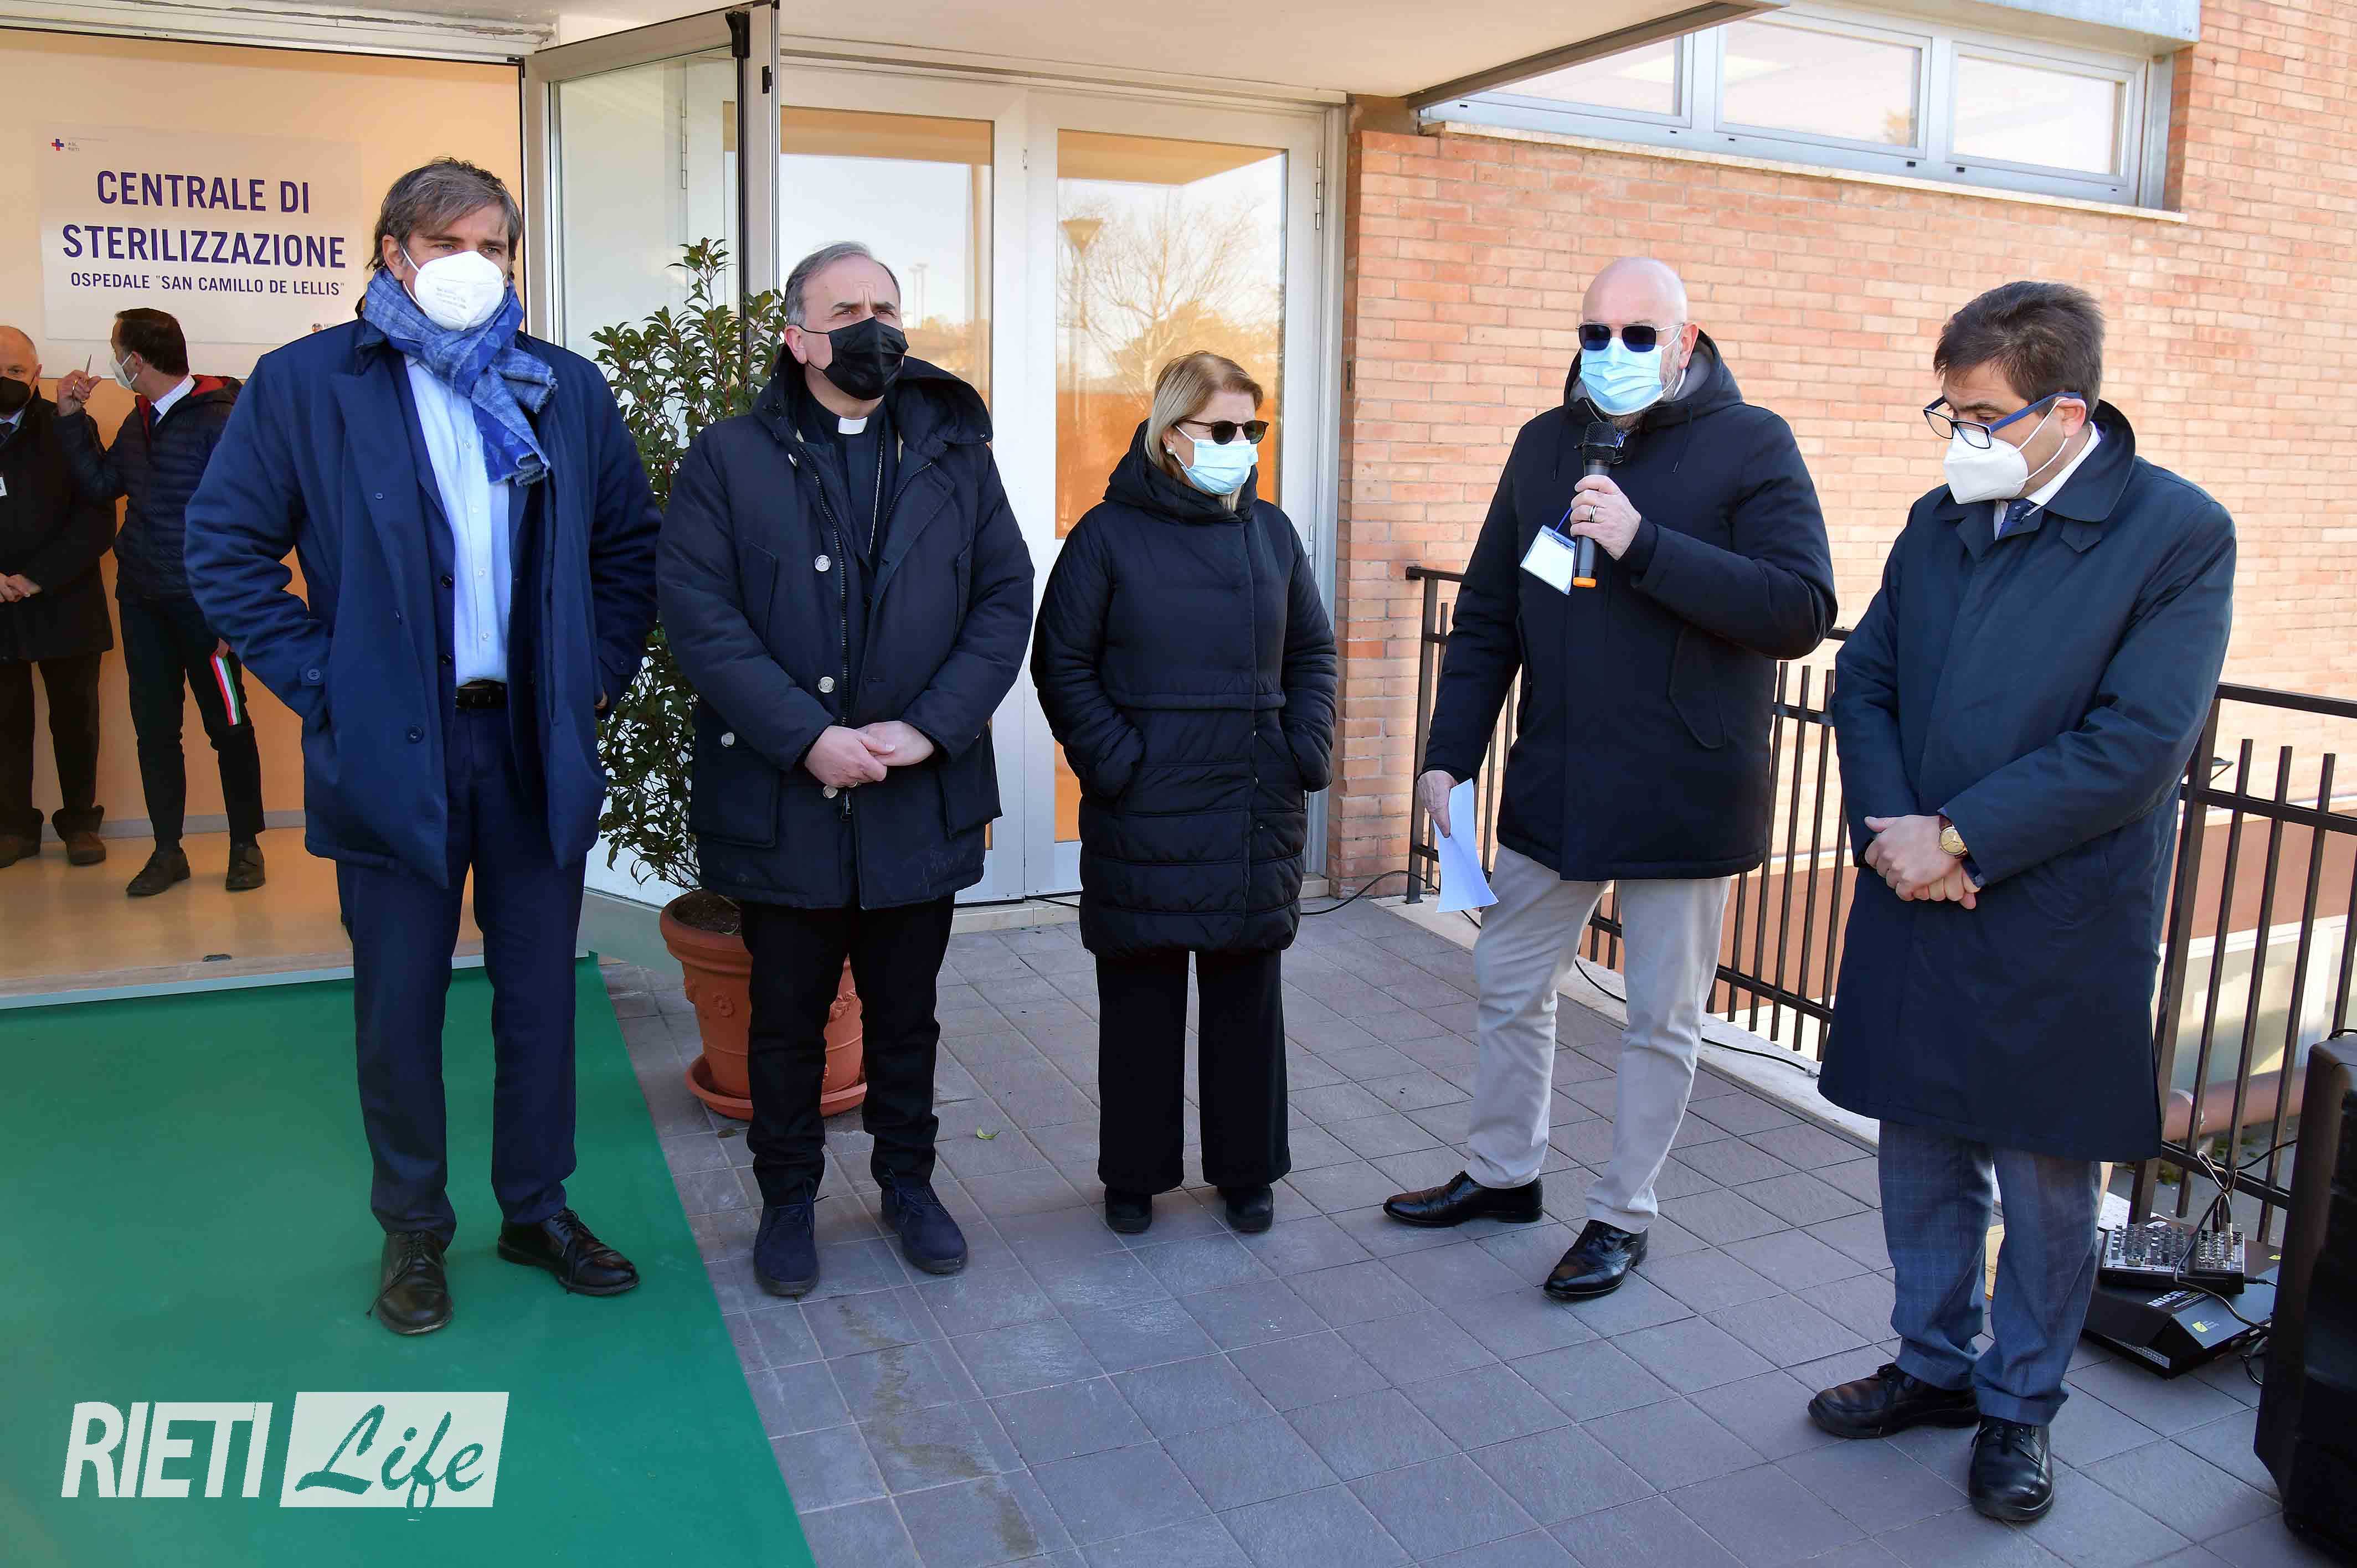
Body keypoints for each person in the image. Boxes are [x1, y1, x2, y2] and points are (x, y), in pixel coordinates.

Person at [184, 159, 662, 1335]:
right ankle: (412, 1227)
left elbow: (626, 546)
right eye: (448, 242)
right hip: (393, 751)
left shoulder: (560, 384)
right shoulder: (308, 383)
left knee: (540, 997)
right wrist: (326, 688)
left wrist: (595, 677)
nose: (473, 265)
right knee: (398, 1004)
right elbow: (225, 551)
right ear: (392, 252)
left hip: (531, 744)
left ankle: (537, 1209)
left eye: (493, 246)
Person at [1812, 281, 2235, 1524]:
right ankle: (1932, 1366)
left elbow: (2137, 744)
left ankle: (2019, 1405)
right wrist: (1897, 836)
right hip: (1916, 886)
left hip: (2056, 911)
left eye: (1981, 416)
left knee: (2046, 1182)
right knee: (1917, 1146)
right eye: (1946, 413)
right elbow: (1864, 679)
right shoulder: (1940, 517)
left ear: (2067, 412)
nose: (1959, 438)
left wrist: (1957, 837)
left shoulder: (2176, 534)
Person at [1385, 256, 1836, 1303]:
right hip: (1558, 780)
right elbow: (1489, 612)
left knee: (1659, 1019)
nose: (1613, 352)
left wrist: (1644, 543)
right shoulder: (1546, 444)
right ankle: (1504, 1174)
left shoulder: (1752, 443)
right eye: (1596, 333)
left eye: (1639, 335)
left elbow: (1799, 609)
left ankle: (1622, 1214)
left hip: (1685, 790)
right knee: (1508, 982)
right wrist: (1449, 753)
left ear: (1685, 343)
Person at [661, 241, 1033, 1298]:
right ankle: (787, 1200)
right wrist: (806, 736)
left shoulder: (954, 451)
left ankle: (908, 1185)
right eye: (846, 311)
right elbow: (701, 616)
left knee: (906, 1018)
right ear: (797, 337)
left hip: (918, 796)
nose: (874, 328)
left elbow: (1004, 596)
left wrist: (930, 726)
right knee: (785, 1022)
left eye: (886, 307)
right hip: (784, 801)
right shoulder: (728, 458)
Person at [1033, 352, 1337, 1237]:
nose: (1242, 445)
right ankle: (1134, 1176)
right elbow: (1063, 662)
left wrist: (1303, 745)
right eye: (1223, 429)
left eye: (1253, 428)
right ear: (1172, 436)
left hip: (1252, 804)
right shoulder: (1107, 535)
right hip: (1147, 809)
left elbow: (1313, 652)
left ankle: (1248, 1172)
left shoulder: (1271, 534)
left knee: (1247, 998)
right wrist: (1117, 762)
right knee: (1141, 999)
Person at [55, 310, 264, 898]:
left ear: (136, 360)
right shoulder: (138, 418)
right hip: (143, 602)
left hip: (207, 609)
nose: (113, 360)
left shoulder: (221, 418)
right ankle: (167, 850)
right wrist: (71, 420)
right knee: (155, 732)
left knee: (229, 725)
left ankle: (245, 846)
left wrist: (234, 612)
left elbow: (252, 517)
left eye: (116, 350)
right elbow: (102, 485)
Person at [0, 326, 117, 870]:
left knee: (77, 720)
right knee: (6, 724)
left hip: (66, 598)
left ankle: (79, 824)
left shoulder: (69, 425)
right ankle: (13, 828)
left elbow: (97, 518)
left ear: (36, 373)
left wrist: (36, 578)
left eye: (15, 371)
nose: (5, 380)